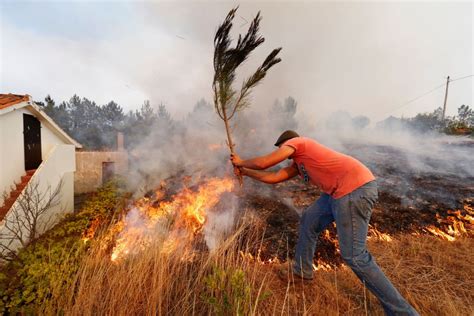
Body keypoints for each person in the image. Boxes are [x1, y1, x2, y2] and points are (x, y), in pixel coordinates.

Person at [231, 130, 418, 316]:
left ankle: (403, 312)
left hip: (354, 189)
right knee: (309, 219)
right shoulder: (299, 164)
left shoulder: (299, 142)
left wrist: (240, 161)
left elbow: (264, 163)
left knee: (354, 256)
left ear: (287, 143)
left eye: (282, 149)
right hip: (335, 193)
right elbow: (273, 178)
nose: (284, 155)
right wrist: (246, 172)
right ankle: (302, 273)